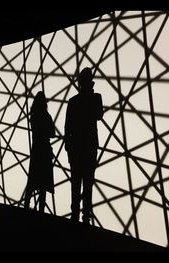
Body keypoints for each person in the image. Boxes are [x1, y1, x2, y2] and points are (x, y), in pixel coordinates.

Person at [64, 67, 103, 225]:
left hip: (77, 146)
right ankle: (84, 215)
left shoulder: (74, 101)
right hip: (88, 145)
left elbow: (67, 126)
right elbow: (98, 115)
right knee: (86, 182)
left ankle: (76, 214)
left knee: (77, 181)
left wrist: (68, 145)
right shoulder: (95, 98)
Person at [24, 91, 55, 213]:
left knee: (32, 179)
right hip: (45, 150)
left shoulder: (33, 116)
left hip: (36, 149)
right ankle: (41, 209)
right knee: (43, 182)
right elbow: (52, 133)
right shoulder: (47, 116)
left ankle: (26, 204)